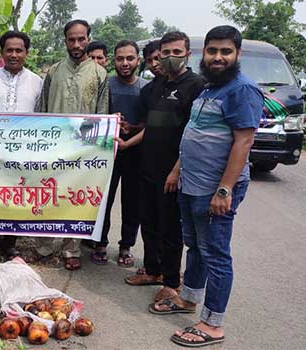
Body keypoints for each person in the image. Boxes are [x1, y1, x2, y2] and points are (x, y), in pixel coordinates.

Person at [150, 25, 263, 348]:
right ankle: (188, 299)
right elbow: (194, 135)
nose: (218, 57)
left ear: (237, 55)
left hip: (215, 189)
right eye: (213, 51)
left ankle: (213, 323)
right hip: (191, 184)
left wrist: (225, 189)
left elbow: (244, 142)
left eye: (225, 51)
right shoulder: (209, 89)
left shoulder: (241, 90)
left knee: (215, 254)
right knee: (196, 247)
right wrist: (176, 170)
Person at [120, 32, 205, 304]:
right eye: (163, 53)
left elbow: (195, 134)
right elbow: (150, 127)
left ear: (188, 54)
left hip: (174, 172)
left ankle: (171, 283)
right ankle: (153, 271)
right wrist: (128, 134)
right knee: (149, 223)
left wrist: (177, 170)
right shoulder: (152, 89)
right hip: (148, 168)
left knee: (171, 229)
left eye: (175, 53)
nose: (168, 59)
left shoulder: (197, 86)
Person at [33, 19, 109, 271]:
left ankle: (71, 249)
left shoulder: (99, 74)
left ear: (88, 39)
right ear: (65, 41)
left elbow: (102, 115)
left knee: (74, 198)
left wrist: (94, 149)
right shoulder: (53, 71)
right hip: (52, 148)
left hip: (82, 149)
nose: (76, 44)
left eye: (81, 39)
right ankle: (43, 246)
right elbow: (41, 110)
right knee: (46, 193)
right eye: (71, 39)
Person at [0, 30, 43, 259]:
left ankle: (9, 243)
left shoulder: (37, 82)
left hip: (23, 153)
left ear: (26, 53)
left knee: (17, 196)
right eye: (9, 50)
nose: (14, 54)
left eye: (18, 50)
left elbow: (43, 119)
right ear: (2, 52)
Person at [90, 40, 147, 267]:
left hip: (135, 151)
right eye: (120, 58)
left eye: (130, 58)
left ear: (138, 60)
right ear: (113, 60)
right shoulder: (106, 84)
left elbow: (149, 123)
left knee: (133, 202)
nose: (125, 63)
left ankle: (126, 246)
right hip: (106, 151)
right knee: (103, 198)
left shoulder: (146, 88)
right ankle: (100, 243)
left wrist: (131, 128)